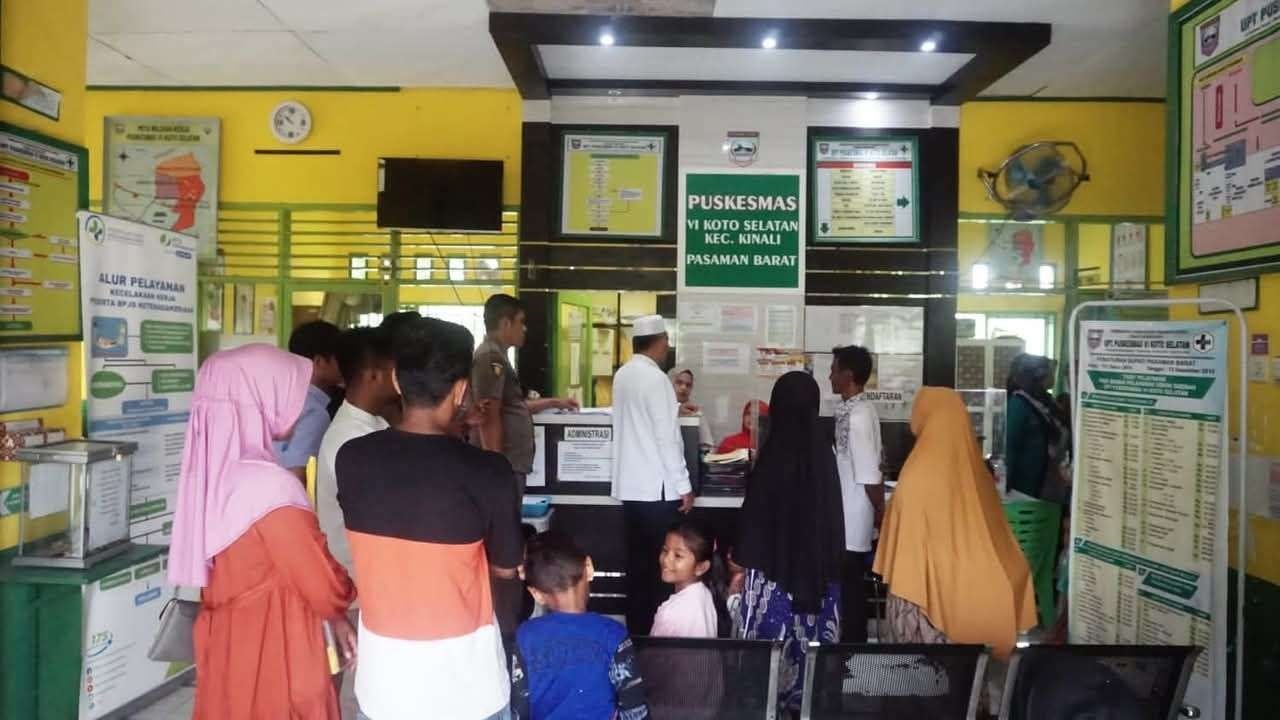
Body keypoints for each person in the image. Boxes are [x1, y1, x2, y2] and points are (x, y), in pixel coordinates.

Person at [337, 317, 522, 720]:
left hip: (383, 682)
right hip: (468, 684)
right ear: (461, 390)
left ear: (397, 381)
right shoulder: (488, 472)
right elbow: (506, 571)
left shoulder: (352, 459)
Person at [168, 344, 357, 720]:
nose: (297, 404)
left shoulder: (209, 477)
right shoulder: (269, 487)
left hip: (227, 644)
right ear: (259, 400)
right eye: (288, 392)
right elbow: (323, 584)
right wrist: (344, 601)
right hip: (276, 647)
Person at [873, 387, 1036, 658]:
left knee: (922, 672)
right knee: (968, 675)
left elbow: (904, 547)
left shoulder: (916, 473)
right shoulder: (977, 473)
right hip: (976, 594)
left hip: (922, 601)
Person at [730, 371, 844, 712]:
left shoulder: (771, 457)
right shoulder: (824, 456)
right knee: (813, 672)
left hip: (771, 579)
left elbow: (753, 523)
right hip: (818, 583)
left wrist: (740, 562)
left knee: (766, 672)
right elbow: (833, 525)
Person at [611, 314, 694, 635]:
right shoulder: (657, 379)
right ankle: (658, 636)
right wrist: (684, 485)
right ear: (658, 343)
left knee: (637, 567)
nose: (667, 348)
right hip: (657, 492)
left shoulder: (623, 375)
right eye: (666, 342)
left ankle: (636, 632)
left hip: (631, 489)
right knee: (662, 570)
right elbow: (666, 438)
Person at [511, 531, 649, 720]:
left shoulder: (525, 636)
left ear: (537, 594)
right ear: (589, 567)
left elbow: (519, 709)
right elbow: (635, 709)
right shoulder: (613, 634)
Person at [474, 293, 579, 499]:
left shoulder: (498, 355)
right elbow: (488, 415)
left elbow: (513, 406)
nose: (524, 328)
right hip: (504, 466)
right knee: (502, 517)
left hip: (511, 464)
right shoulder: (490, 357)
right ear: (506, 323)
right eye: (521, 322)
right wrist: (495, 466)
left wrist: (555, 402)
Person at [316, 327, 397, 576]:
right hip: (355, 575)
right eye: (395, 371)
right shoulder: (349, 437)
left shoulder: (376, 423)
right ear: (373, 376)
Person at [828, 345, 884, 643]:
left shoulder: (858, 415)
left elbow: (869, 474)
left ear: (848, 375)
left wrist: (881, 513)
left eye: (834, 370)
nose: (830, 376)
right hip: (846, 511)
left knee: (850, 587)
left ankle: (852, 648)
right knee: (848, 584)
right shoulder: (850, 409)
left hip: (855, 515)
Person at [276, 320, 343, 482]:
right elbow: (299, 475)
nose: (347, 364)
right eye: (340, 358)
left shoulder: (280, 396)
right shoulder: (314, 413)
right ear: (319, 362)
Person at [1005, 353, 1070, 502]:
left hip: (1049, 483)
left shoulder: (1046, 400)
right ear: (1038, 376)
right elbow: (1010, 447)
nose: (1054, 377)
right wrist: (1006, 485)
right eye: (1051, 372)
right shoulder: (1019, 404)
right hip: (1027, 488)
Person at [652, 519, 719, 638]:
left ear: (701, 567)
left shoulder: (673, 612)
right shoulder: (704, 593)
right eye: (665, 550)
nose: (666, 559)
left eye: (678, 556)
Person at [671, 368, 713, 449]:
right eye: (679, 382)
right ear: (671, 384)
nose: (684, 388)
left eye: (688, 385)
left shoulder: (695, 412)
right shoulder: (662, 408)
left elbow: (707, 444)